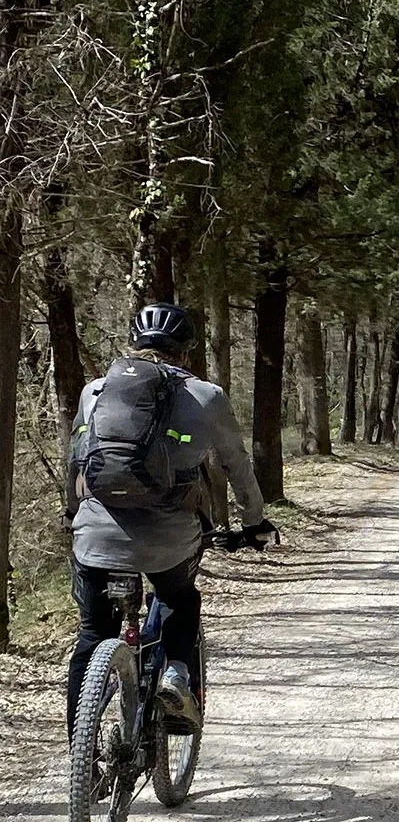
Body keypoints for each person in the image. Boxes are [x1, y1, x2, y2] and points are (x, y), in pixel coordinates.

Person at [65, 303, 275, 737]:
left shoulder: (95, 391)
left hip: (96, 533)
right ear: (186, 352)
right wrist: (254, 522)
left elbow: (76, 461)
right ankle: (176, 676)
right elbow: (236, 465)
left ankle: (80, 751)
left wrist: (74, 515)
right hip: (169, 537)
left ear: (134, 346)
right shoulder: (206, 396)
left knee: (91, 635)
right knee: (180, 597)